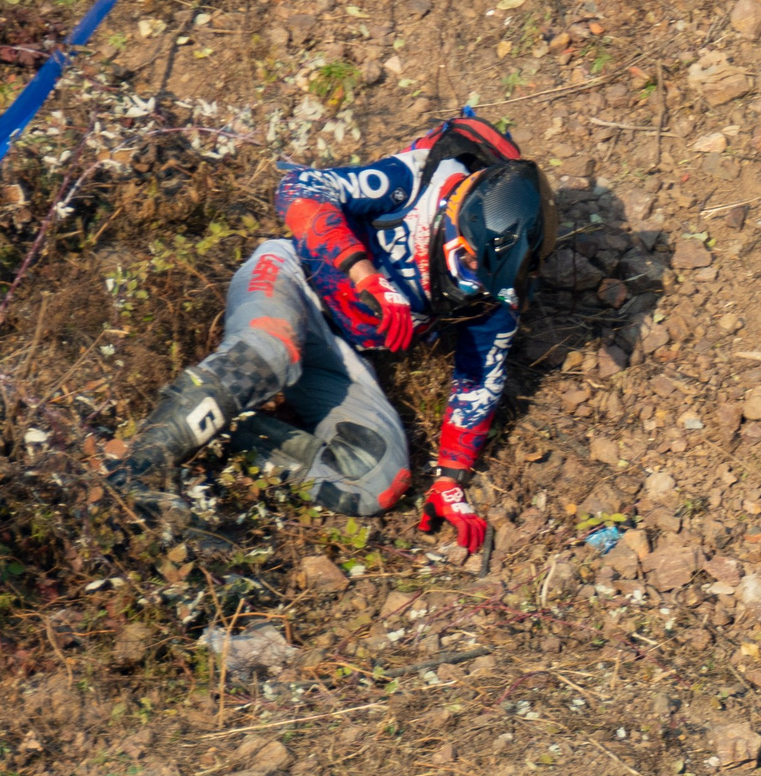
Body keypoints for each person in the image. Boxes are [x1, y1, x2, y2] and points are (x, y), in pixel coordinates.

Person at [106, 116, 552, 555]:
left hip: (341, 356)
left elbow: (479, 384)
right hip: (291, 279)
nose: (474, 285)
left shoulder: (497, 295)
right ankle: (136, 472)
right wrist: (362, 273)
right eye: (471, 263)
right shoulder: (415, 179)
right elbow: (300, 187)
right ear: (460, 219)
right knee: (272, 352)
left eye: (488, 280)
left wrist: (449, 482)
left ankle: (222, 439)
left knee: (378, 480)